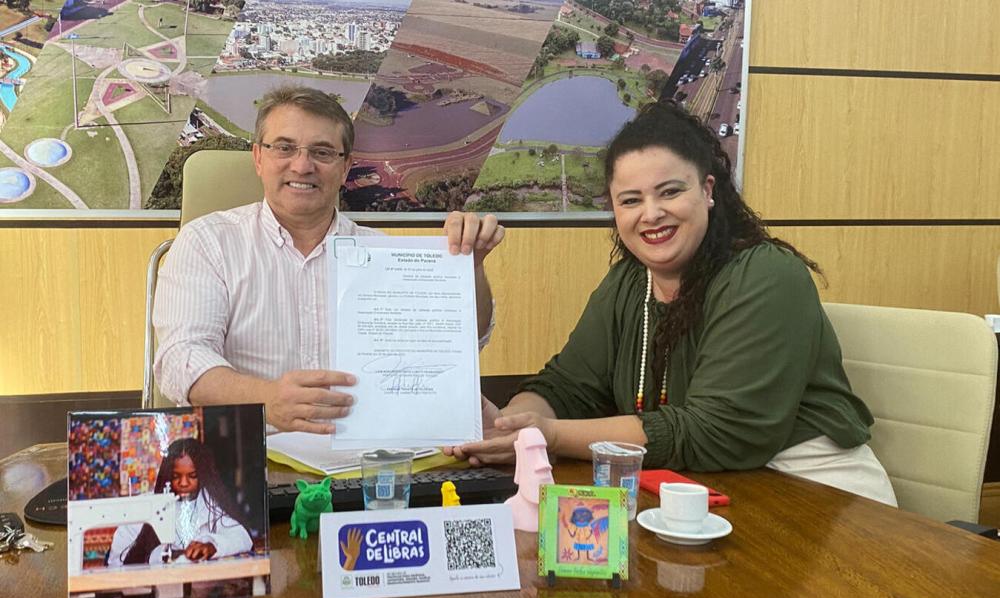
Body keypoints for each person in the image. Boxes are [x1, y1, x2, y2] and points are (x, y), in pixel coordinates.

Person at [446, 102, 897, 505]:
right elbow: (566, 387)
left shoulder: (767, 274)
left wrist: (550, 436)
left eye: (670, 192)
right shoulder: (629, 281)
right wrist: (510, 427)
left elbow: (715, 432)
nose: (651, 213)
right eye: (630, 200)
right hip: (697, 494)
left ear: (708, 190)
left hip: (819, 498)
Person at [153, 85, 504, 434]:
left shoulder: (381, 255)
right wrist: (267, 399)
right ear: (259, 158)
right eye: (284, 148)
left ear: (345, 167)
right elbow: (180, 359)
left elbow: (462, 344)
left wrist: (469, 269)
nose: (302, 165)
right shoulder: (208, 242)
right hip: (249, 453)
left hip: (363, 458)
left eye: (322, 152)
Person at [108, 438, 253, 566]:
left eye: (192, 476)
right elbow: (116, 562)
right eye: (176, 476)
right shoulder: (142, 507)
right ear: (167, 475)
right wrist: (157, 556)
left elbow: (242, 537)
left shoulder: (211, 504)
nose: (183, 483)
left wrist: (212, 546)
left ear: (202, 475)